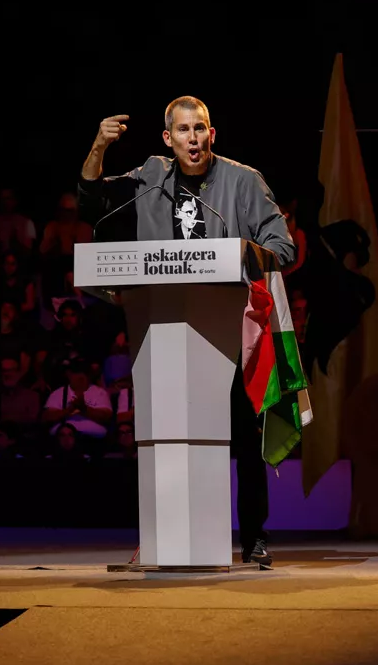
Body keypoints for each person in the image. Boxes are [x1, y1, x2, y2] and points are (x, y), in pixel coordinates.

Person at [76, 97, 296, 567]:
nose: (192, 139)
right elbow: (91, 202)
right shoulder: (149, 179)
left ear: (212, 135)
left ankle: (254, 536)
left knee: (242, 438)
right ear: (167, 139)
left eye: (200, 129)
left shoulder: (243, 181)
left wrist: (239, 257)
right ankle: (165, 537)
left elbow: (284, 246)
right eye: (183, 131)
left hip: (232, 334)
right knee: (167, 435)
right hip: (166, 332)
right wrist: (98, 147)